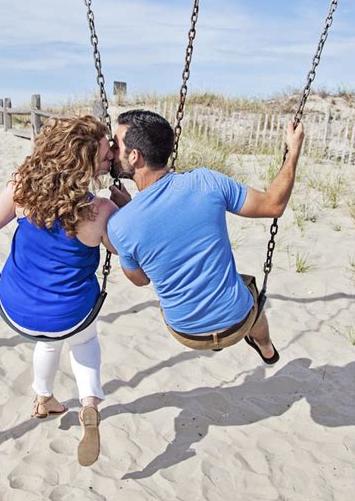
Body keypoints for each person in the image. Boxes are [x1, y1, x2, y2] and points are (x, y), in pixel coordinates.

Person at [0, 115, 118, 466]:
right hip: (71, 314)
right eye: (107, 153)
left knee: (47, 338)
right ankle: (90, 403)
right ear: (87, 161)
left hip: (17, 308)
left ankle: (43, 398)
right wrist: (123, 206)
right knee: (84, 339)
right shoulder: (101, 210)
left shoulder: (23, 186)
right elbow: (124, 252)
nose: (112, 156)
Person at [107, 109, 304, 360]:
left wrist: (128, 211)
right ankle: (265, 347)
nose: (112, 149)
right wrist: (293, 151)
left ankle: (248, 338)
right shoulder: (206, 182)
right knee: (251, 291)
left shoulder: (120, 224)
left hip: (185, 332)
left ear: (134, 157)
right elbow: (274, 205)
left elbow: (140, 280)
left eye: (116, 144)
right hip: (237, 323)